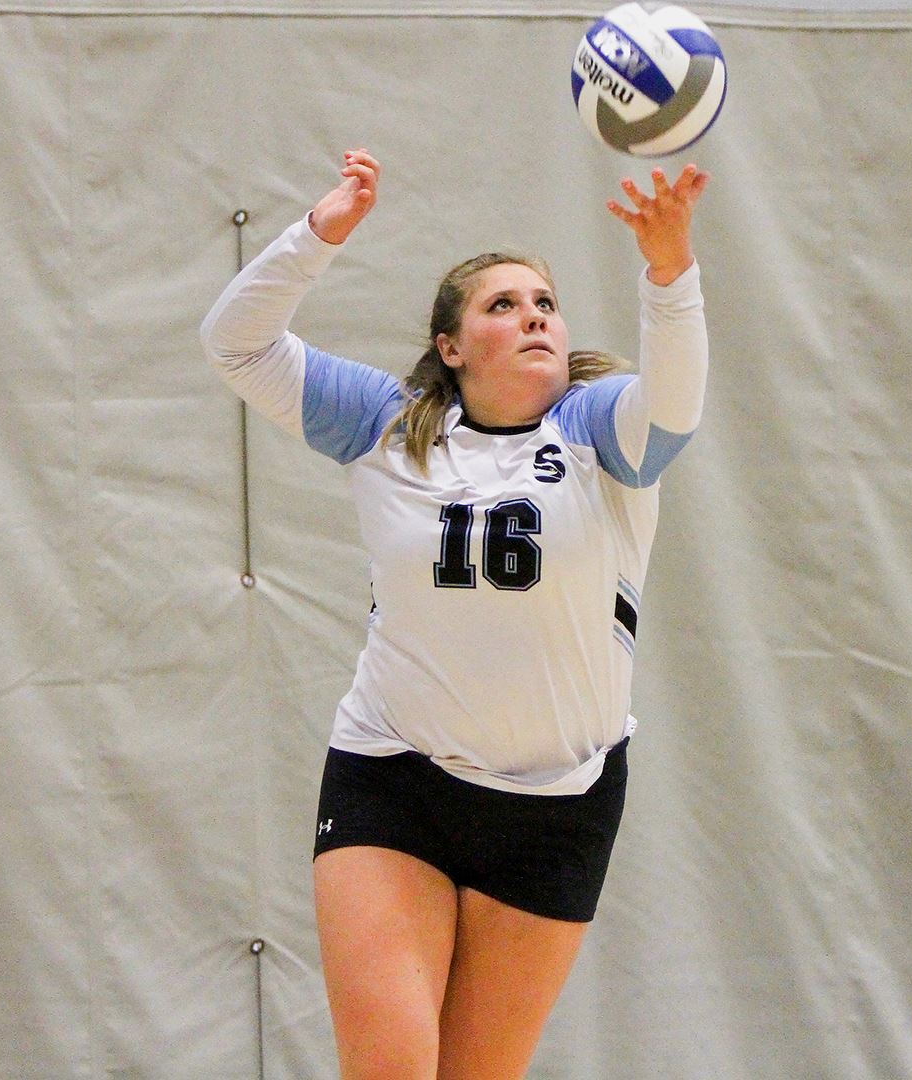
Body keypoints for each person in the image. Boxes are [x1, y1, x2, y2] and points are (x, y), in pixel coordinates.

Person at [201, 148, 710, 1080]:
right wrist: (319, 238)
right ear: (451, 346)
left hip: (559, 804)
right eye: (502, 305)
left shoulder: (601, 433)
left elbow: (675, 405)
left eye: (546, 304)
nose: (533, 318)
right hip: (398, 779)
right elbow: (235, 342)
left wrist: (669, 271)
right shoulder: (388, 426)